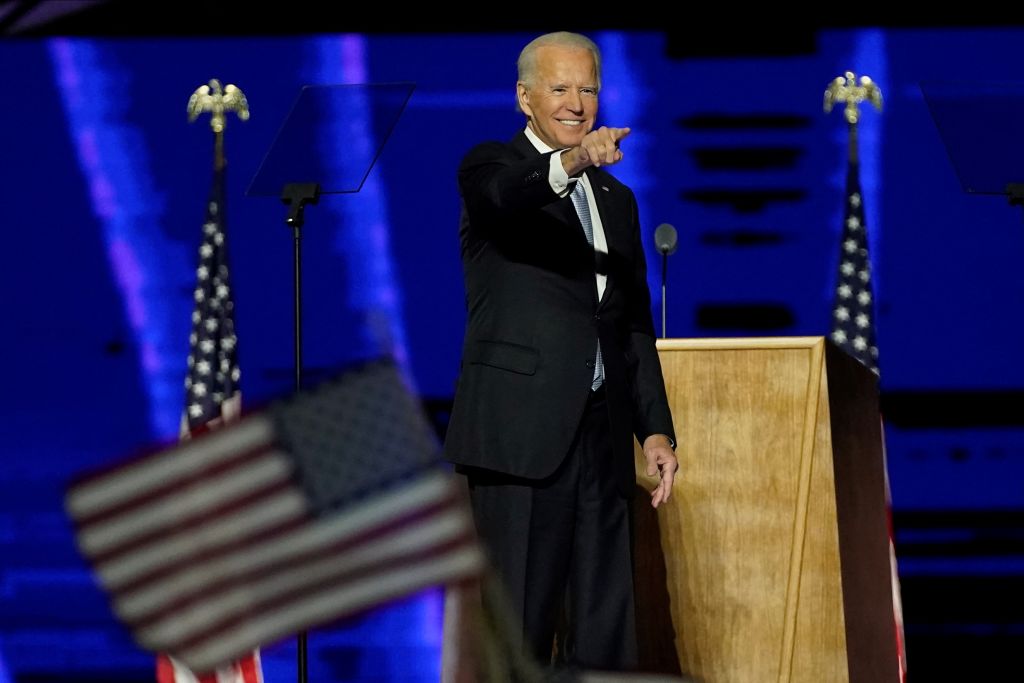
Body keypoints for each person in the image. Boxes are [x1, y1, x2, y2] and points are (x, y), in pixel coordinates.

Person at [443, 30, 678, 672]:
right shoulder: (488, 168)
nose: (577, 103)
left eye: (589, 88)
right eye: (560, 87)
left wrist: (655, 430)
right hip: (519, 441)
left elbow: (630, 324)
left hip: (600, 440)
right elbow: (507, 197)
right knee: (517, 631)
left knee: (607, 627)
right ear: (524, 97)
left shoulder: (618, 201)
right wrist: (573, 163)